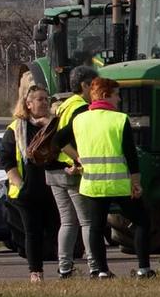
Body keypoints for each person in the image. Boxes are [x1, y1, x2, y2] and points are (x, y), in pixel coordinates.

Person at [66, 75, 155, 279]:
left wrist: (77, 160)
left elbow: (60, 140)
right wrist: (135, 181)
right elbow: (131, 154)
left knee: (95, 227)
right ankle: (143, 268)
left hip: (92, 184)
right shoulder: (119, 119)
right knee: (141, 221)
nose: (120, 100)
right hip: (118, 183)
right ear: (106, 96)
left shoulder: (79, 119)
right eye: (117, 95)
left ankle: (102, 271)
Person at [5, 75, 60, 283]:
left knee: (58, 227)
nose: (44, 103)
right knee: (32, 232)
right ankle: (35, 272)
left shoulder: (55, 126)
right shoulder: (16, 129)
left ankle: (65, 267)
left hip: (53, 186)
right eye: (40, 99)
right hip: (28, 191)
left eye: (47, 99)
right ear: (28, 104)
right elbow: (7, 161)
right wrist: (21, 184)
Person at [45, 66, 95, 279]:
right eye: (93, 84)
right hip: (70, 171)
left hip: (54, 170)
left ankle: (65, 267)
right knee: (87, 221)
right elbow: (63, 140)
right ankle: (95, 265)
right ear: (84, 85)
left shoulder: (65, 104)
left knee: (67, 221)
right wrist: (78, 158)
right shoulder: (81, 108)